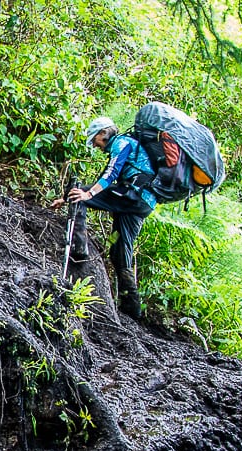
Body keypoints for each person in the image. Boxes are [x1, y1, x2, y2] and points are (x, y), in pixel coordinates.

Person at [51, 116, 158, 319]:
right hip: (143, 203)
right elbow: (106, 176)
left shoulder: (122, 143)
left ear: (103, 133)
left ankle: (79, 247)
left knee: (79, 194)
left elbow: (110, 174)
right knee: (120, 250)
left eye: (95, 140)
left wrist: (85, 195)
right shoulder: (128, 145)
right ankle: (132, 308)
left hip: (132, 195)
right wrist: (64, 199)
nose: (95, 145)